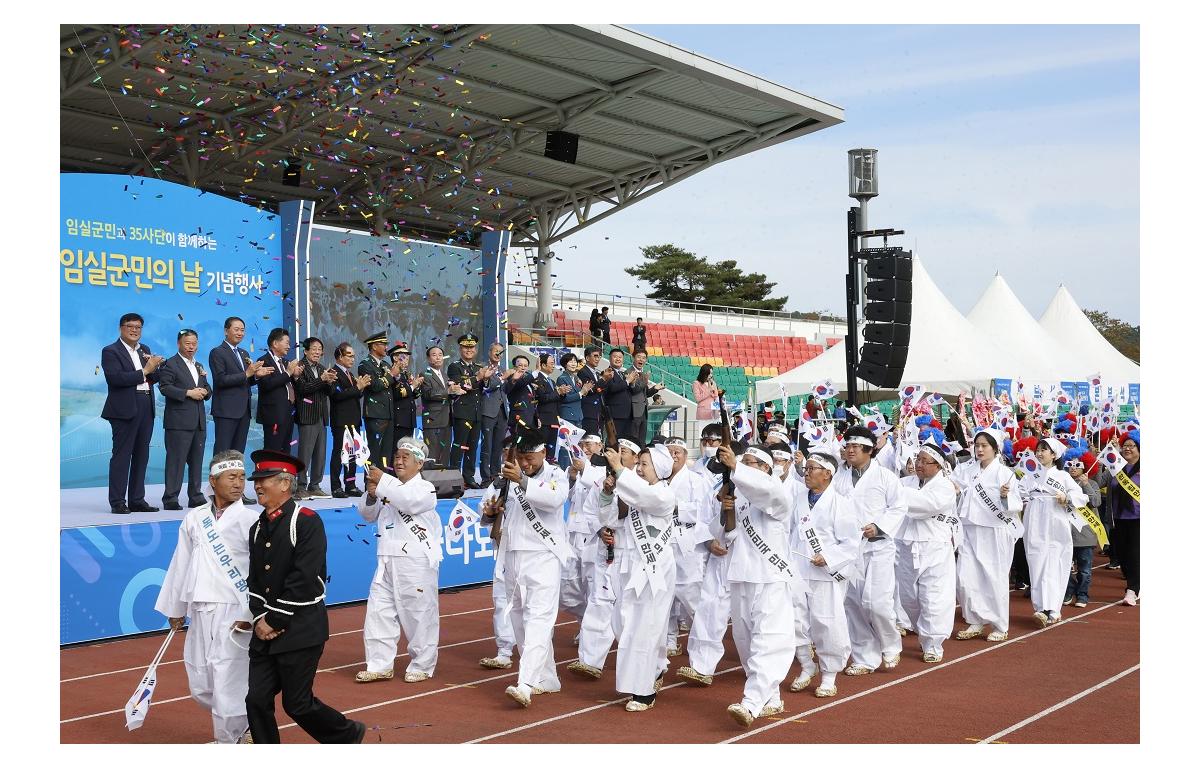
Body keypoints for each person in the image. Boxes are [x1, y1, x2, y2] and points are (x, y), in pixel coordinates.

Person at [243, 449, 366, 744]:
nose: (257, 485)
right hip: (266, 630)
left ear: (285, 483)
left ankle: (347, 735)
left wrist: (273, 620)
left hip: (300, 630)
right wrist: (261, 618)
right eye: (256, 479)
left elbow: (305, 578)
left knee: (296, 704)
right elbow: (255, 579)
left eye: (265, 479)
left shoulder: (307, 521)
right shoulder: (257, 527)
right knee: (256, 700)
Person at [155, 450, 258, 743]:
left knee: (229, 677)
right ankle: (249, 720)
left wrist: (250, 613)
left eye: (242, 477)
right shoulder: (194, 518)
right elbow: (181, 562)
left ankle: (231, 740)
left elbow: (262, 572)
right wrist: (175, 607)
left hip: (234, 609)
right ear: (213, 481)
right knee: (201, 681)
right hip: (200, 607)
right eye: (231, 477)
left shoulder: (251, 519)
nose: (239, 483)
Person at [479, 430, 571, 708]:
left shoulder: (556, 475)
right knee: (518, 617)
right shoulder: (505, 478)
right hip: (511, 554)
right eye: (521, 458)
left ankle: (526, 684)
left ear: (543, 453)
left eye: (529, 458)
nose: (525, 463)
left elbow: (554, 500)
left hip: (543, 556)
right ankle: (547, 678)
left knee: (539, 619)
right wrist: (491, 512)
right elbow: (489, 512)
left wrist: (521, 479)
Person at [714, 443, 794, 727]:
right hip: (741, 574)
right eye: (742, 461)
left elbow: (769, 495)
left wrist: (736, 467)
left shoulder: (778, 491)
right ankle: (771, 698)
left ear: (765, 469)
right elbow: (728, 536)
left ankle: (750, 702)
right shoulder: (740, 495)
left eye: (751, 463)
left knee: (769, 640)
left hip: (771, 576)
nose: (744, 465)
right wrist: (726, 512)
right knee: (745, 641)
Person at [597, 442, 678, 712]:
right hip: (628, 566)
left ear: (661, 469)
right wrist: (608, 494)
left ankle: (643, 692)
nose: (639, 469)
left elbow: (643, 496)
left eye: (645, 465)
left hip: (653, 570)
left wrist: (620, 470)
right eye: (639, 464)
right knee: (623, 625)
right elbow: (610, 518)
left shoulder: (664, 495)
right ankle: (655, 668)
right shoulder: (633, 492)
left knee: (645, 629)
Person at [355, 438, 442, 683]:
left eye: (406, 457)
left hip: (415, 561)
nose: (399, 460)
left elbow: (409, 502)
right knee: (378, 613)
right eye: (397, 456)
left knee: (419, 614)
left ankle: (422, 664)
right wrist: (372, 495)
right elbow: (368, 514)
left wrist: (382, 482)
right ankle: (379, 664)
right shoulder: (388, 488)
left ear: (419, 463)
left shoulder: (425, 489)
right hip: (386, 559)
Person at [834, 425, 907, 675]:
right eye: (848, 446)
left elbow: (899, 507)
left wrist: (879, 526)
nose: (850, 450)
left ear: (868, 449)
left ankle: (890, 644)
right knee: (852, 604)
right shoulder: (839, 476)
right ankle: (865, 657)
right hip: (849, 550)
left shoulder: (886, 477)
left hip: (878, 548)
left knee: (877, 603)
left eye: (855, 446)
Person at [788, 451, 859, 699]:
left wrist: (828, 557)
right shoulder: (796, 498)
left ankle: (829, 675)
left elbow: (851, 542)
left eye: (812, 469)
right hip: (797, 569)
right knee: (794, 620)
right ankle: (807, 664)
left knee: (827, 623)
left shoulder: (841, 503)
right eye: (806, 469)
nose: (806, 473)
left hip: (824, 574)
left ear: (827, 474)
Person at [567, 438, 638, 680]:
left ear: (636, 458)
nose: (617, 455)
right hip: (605, 552)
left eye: (624, 452)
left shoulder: (641, 484)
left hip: (632, 554)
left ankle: (650, 664)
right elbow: (589, 512)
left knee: (630, 611)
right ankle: (590, 661)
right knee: (599, 601)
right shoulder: (600, 483)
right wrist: (601, 530)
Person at [953, 428, 1024, 642]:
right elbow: (953, 485)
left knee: (994, 577)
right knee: (965, 577)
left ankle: (1000, 625)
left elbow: (1015, 504)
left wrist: (1004, 497)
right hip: (969, 528)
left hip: (995, 530)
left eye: (984, 445)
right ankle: (975, 619)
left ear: (995, 448)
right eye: (977, 445)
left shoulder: (1004, 473)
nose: (980, 449)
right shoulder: (966, 470)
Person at [677, 424, 733, 688]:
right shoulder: (697, 473)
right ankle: (702, 666)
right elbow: (699, 514)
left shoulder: (752, 483)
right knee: (710, 607)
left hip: (750, 559)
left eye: (716, 440)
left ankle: (763, 664)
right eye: (707, 440)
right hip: (715, 552)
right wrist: (709, 539)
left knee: (747, 623)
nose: (711, 444)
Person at [895, 442, 959, 663]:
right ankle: (923, 631)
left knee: (934, 596)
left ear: (938, 466)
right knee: (908, 596)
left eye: (924, 461)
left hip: (935, 547)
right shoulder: (905, 482)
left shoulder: (945, 487)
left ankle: (933, 643)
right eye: (917, 459)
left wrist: (897, 494)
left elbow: (926, 505)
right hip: (906, 545)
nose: (918, 464)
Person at [1019, 438, 1088, 626]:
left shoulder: (1063, 476)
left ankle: (1054, 608)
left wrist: (1066, 497)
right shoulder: (1029, 475)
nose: (1039, 453)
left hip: (1056, 521)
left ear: (1054, 454)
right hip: (1034, 521)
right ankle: (1040, 608)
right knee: (1036, 562)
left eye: (1044, 450)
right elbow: (1019, 495)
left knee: (1056, 562)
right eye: (1038, 450)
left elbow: (1081, 497)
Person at [102, 312, 165, 515]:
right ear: (121, 328)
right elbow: (116, 378)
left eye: (138, 327)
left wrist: (157, 367)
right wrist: (146, 371)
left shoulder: (144, 350)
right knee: (122, 456)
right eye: (130, 326)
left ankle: (137, 499)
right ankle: (118, 501)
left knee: (141, 455)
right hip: (124, 408)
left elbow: (153, 377)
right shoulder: (111, 351)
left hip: (146, 404)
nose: (134, 330)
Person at [664, 436, 712, 657]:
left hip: (687, 545)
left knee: (691, 596)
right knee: (664, 596)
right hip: (662, 544)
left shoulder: (696, 480)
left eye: (678, 452)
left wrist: (675, 507)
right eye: (669, 451)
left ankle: (704, 644)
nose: (673, 456)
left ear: (686, 456)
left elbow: (704, 512)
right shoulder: (657, 479)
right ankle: (670, 639)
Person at [157, 329, 211, 510]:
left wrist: (205, 391)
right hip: (178, 422)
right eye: (187, 343)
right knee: (176, 461)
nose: (191, 347)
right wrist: (188, 393)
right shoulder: (170, 364)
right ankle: (170, 498)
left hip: (199, 422)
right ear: (178, 344)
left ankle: (195, 496)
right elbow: (164, 387)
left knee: (197, 461)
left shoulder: (199, 365)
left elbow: (207, 389)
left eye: (194, 343)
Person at [209, 316, 269, 465]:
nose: (240, 333)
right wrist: (247, 373)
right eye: (236, 329)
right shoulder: (217, 352)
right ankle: (218, 487)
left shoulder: (244, 353)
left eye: (242, 330)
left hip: (244, 411)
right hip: (226, 411)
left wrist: (256, 377)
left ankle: (234, 486)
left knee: (237, 453)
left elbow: (246, 380)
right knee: (223, 453)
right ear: (226, 331)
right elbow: (221, 380)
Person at [292, 337, 335, 500]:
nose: (318, 352)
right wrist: (321, 380)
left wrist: (330, 382)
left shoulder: (323, 368)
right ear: (306, 351)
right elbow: (302, 389)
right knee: (305, 453)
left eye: (320, 349)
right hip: (307, 415)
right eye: (314, 349)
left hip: (321, 416)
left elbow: (328, 393)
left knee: (320, 453)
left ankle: (315, 485)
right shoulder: (300, 367)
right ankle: (301, 486)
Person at [328, 343, 372, 498]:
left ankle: (350, 485)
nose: (353, 358)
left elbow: (355, 394)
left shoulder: (350, 374)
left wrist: (361, 387)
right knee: (340, 454)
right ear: (340, 356)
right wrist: (357, 388)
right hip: (340, 421)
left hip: (354, 419)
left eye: (353, 355)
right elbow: (336, 395)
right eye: (349, 355)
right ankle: (335, 487)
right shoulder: (333, 373)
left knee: (352, 454)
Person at [447, 333, 490, 487]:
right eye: (466, 347)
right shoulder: (454, 366)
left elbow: (485, 389)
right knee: (459, 446)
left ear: (476, 349)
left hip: (477, 413)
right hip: (462, 412)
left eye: (471, 347)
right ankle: (453, 477)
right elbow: (459, 385)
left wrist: (486, 380)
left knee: (472, 447)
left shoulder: (479, 367)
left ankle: (469, 477)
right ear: (460, 348)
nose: (469, 350)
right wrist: (478, 378)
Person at [1063, 454, 1101, 609]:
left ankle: (1082, 595)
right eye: (1070, 463)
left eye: (1077, 465)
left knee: (1084, 570)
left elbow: (1096, 502)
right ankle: (1068, 591)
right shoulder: (1063, 484)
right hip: (1065, 533)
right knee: (1064, 567)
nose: (1073, 467)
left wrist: (1086, 485)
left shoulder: (1092, 483)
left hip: (1085, 535)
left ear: (1085, 466)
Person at [1108, 431, 1140, 606]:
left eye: (1131, 446)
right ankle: (1135, 583)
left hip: (1139, 518)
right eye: (1125, 446)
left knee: (1135, 553)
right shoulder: (1116, 468)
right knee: (1122, 554)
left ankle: (1132, 590)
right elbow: (1100, 481)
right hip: (1119, 517)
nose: (1127, 449)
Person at [419, 345, 460, 467]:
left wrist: (456, 392)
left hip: (446, 419)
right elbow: (428, 394)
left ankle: (444, 482)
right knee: (432, 454)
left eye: (440, 355)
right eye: (434, 355)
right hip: (433, 420)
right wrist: (448, 391)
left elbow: (448, 394)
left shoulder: (444, 374)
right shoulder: (425, 374)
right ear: (428, 358)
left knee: (444, 453)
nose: (438, 358)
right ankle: (432, 483)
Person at [358, 331, 395, 468]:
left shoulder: (386, 364)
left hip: (389, 414)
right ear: (374, 346)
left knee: (386, 452)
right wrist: (391, 375)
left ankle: (383, 483)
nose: (386, 347)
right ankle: (371, 485)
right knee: (374, 451)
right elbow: (374, 386)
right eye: (383, 344)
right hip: (375, 415)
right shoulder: (365, 365)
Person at [533, 353, 565, 459]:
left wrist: (562, 393)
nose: (553, 366)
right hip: (543, 420)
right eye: (551, 363)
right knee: (542, 448)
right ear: (543, 365)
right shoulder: (537, 378)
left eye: (554, 363)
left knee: (551, 449)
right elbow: (542, 398)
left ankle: (549, 470)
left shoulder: (551, 381)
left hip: (554, 419)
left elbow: (555, 398)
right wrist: (558, 392)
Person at [628, 350, 664, 444]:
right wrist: (645, 381)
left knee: (642, 440)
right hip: (633, 412)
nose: (641, 360)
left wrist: (655, 388)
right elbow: (634, 390)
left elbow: (645, 393)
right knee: (633, 440)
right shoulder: (629, 372)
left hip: (643, 411)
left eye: (644, 358)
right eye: (639, 357)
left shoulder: (643, 374)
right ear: (633, 358)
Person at [389, 342, 423, 441]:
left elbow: (416, 395)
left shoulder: (406, 374)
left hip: (409, 419)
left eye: (408, 359)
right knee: (397, 450)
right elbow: (399, 393)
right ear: (395, 358)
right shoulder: (392, 373)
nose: (406, 361)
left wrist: (416, 386)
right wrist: (413, 386)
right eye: (404, 357)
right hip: (399, 420)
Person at [601, 348, 634, 440]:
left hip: (627, 414)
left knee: (625, 441)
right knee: (614, 441)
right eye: (615, 357)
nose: (618, 359)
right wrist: (627, 381)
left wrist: (632, 382)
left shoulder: (623, 373)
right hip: (615, 414)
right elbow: (612, 388)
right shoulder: (607, 372)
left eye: (620, 357)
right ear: (609, 358)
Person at [505, 354, 538, 433]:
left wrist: (537, 417)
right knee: (517, 443)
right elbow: (520, 383)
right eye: (520, 365)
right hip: (518, 419)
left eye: (525, 366)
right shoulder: (512, 378)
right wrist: (536, 372)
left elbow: (532, 402)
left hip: (530, 419)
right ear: (514, 366)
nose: (523, 368)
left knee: (528, 444)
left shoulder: (529, 381)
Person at [577, 346, 606, 437]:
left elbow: (599, 389)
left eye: (599, 356)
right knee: (589, 439)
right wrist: (604, 379)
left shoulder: (596, 373)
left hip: (598, 412)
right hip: (589, 412)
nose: (598, 359)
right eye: (595, 356)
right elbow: (590, 391)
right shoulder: (583, 372)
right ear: (587, 358)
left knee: (598, 439)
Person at [556, 352, 586, 430]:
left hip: (578, 415)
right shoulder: (562, 378)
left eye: (575, 361)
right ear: (565, 364)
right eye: (571, 361)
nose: (573, 364)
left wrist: (585, 391)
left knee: (577, 441)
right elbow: (565, 398)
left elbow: (580, 395)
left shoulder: (576, 378)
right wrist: (581, 393)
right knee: (568, 441)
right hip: (568, 415)